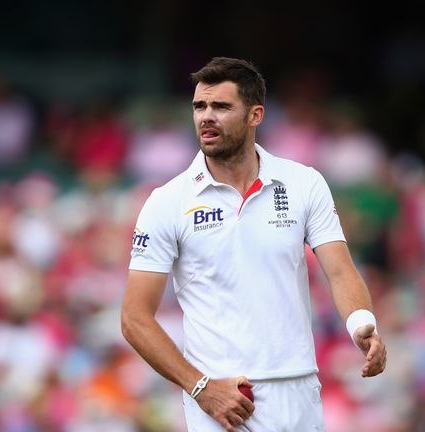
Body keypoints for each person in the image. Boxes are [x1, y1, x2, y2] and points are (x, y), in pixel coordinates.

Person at [120, 57, 387, 431]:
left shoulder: (303, 183)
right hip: (224, 398)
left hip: (298, 389)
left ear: (255, 115)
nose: (206, 117)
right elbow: (134, 318)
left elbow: (340, 269)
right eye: (199, 106)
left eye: (221, 107)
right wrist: (201, 388)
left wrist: (363, 324)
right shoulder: (167, 201)